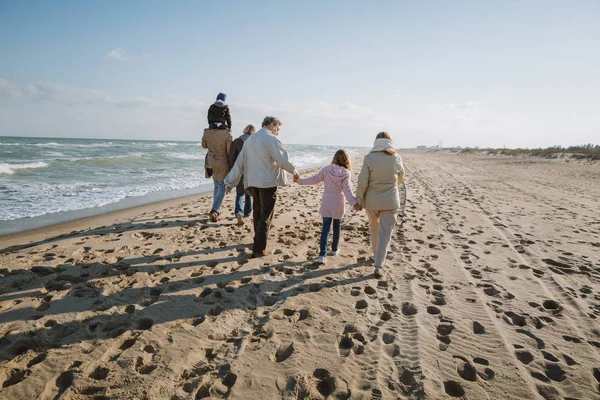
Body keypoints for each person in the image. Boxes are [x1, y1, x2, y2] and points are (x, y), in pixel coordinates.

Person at [225, 116, 299, 258]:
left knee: (258, 214)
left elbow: (239, 163)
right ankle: (259, 249)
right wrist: (294, 171)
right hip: (267, 183)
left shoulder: (250, 140)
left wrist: (230, 182)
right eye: (277, 129)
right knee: (266, 215)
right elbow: (282, 159)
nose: (277, 132)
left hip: (252, 183)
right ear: (271, 125)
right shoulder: (270, 138)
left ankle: (257, 242)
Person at [295, 150, 360, 264]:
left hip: (327, 201)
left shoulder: (326, 169)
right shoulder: (346, 173)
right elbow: (347, 191)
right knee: (337, 226)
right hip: (338, 202)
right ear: (346, 160)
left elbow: (314, 179)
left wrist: (300, 181)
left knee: (325, 228)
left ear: (334, 158)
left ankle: (322, 255)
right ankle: (334, 249)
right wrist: (355, 203)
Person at [355, 132, 405, 277]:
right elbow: (401, 178)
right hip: (390, 200)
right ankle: (378, 263)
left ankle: (376, 255)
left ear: (376, 142)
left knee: (374, 228)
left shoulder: (369, 158)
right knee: (385, 233)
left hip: (372, 201)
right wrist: (393, 183)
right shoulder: (396, 158)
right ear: (390, 142)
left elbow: (362, 181)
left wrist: (359, 200)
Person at [202, 125, 233, 222]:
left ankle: (217, 208)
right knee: (221, 186)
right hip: (222, 161)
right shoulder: (227, 133)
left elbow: (204, 146)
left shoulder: (207, 132)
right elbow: (229, 150)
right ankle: (214, 210)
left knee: (216, 185)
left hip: (210, 161)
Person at [228, 124, 256, 226]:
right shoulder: (255, 141)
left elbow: (231, 157)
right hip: (251, 171)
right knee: (249, 192)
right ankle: (247, 213)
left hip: (239, 169)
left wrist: (233, 168)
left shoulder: (236, 141)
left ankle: (238, 212)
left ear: (245, 130)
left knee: (239, 193)